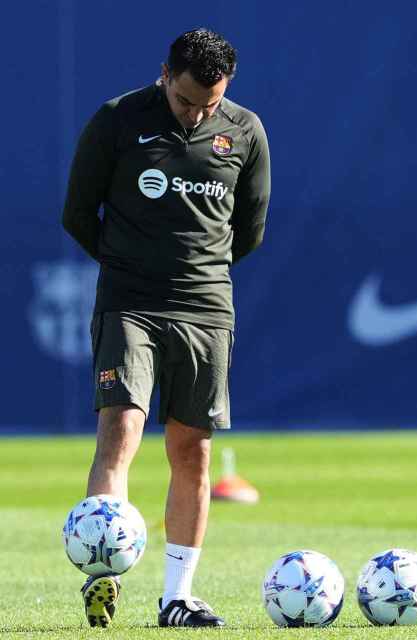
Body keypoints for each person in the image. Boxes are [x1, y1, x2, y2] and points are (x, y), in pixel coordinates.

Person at [62, 28, 271, 628]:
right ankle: (103, 576)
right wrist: (130, 264)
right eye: (185, 101)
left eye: (208, 103)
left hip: (206, 310)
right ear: (164, 75)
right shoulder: (118, 120)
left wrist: (195, 270)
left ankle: (177, 597)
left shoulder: (246, 131)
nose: (196, 112)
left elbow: (249, 230)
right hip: (129, 303)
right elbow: (78, 212)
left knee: (192, 450)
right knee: (121, 428)